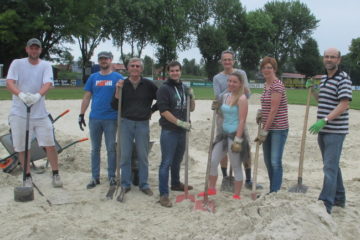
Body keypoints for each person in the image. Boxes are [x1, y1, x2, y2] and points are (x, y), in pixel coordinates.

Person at [6, 38, 63, 188]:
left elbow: (48, 83)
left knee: (50, 144)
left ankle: (55, 173)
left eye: (36, 48)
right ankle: (27, 176)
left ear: (40, 50)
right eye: (31, 48)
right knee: (23, 147)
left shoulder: (45, 65)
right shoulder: (17, 64)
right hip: (19, 113)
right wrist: (21, 95)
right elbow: (10, 82)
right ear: (27, 49)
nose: (34, 51)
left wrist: (37, 95)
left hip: (40, 113)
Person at [307, 48, 352, 214]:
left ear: (339, 60)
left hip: (335, 131)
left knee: (329, 168)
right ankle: (339, 197)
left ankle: (326, 203)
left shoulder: (343, 78)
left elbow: (344, 104)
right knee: (332, 166)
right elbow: (322, 101)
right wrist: (313, 90)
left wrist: (325, 120)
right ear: (323, 59)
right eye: (326, 57)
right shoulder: (325, 78)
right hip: (323, 130)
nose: (329, 59)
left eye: (333, 57)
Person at [213, 50, 261, 190]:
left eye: (230, 59)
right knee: (222, 148)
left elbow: (247, 93)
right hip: (222, 117)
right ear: (221, 61)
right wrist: (233, 88)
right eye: (225, 60)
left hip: (237, 115)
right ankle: (225, 177)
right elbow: (218, 97)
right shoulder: (217, 78)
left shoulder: (242, 74)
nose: (227, 62)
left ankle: (248, 179)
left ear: (233, 61)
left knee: (244, 146)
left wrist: (235, 89)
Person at [111, 57, 158, 196]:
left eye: (138, 66)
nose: (135, 68)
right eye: (132, 66)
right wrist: (117, 90)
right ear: (128, 68)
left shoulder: (149, 85)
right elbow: (114, 105)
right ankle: (125, 184)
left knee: (143, 156)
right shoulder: (122, 84)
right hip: (126, 122)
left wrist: (152, 110)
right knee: (125, 155)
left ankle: (144, 184)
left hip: (143, 123)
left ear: (142, 69)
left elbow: (161, 99)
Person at [199, 72, 248, 199]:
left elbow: (242, 120)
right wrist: (218, 108)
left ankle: (237, 195)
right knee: (213, 161)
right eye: (229, 81)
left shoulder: (242, 99)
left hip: (235, 136)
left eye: (234, 82)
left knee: (236, 165)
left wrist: (237, 140)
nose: (231, 84)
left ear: (240, 84)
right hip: (223, 134)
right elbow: (223, 114)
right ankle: (211, 189)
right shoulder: (226, 96)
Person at [79, 51, 124, 189]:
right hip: (95, 118)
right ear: (98, 61)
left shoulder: (118, 77)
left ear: (111, 60)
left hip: (111, 118)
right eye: (101, 59)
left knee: (111, 148)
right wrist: (81, 114)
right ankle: (95, 177)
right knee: (95, 149)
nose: (103, 61)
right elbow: (87, 96)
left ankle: (112, 176)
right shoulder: (93, 77)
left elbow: (123, 97)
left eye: (106, 59)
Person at [157, 61, 195, 207]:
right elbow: (164, 111)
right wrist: (179, 122)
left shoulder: (184, 87)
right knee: (166, 162)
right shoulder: (164, 89)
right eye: (172, 70)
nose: (175, 73)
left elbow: (190, 109)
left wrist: (192, 97)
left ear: (180, 71)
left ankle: (175, 183)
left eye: (177, 70)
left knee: (177, 160)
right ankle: (164, 194)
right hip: (169, 130)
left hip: (182, 131)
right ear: (168, 72)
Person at [255, 56, 288, 193]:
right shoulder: (266, 84)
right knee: (268, 162)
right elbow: (268, 106)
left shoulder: (277, 85)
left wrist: (265, 130)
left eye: (269, 67)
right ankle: (272, 189)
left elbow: (274, 109)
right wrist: (261, 112)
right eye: (264, 67)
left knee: (275, 162)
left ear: (274, 69)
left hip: (278, 129)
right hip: (267, 126)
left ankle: (274, 192)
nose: (266, 70)